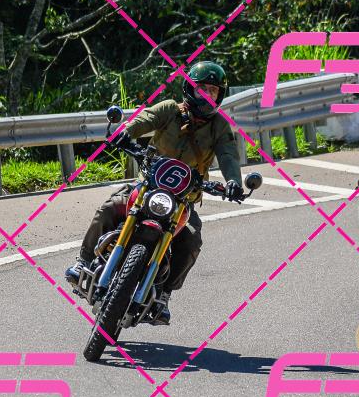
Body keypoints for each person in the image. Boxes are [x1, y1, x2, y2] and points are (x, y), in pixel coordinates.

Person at [65, 61, 244, 325]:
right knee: (110, 208)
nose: (207, 94)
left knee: (192, 240)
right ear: (190, 88)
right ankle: (84, 261)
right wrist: (125, 133)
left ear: (220, 95)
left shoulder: (219, 126)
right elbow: (144, 119)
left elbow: (228, 155)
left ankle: (163, 295)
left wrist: (234, 182)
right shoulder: (170, 109)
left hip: (183, 199)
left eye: (213, 90)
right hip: (148, 185)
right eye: (202, 88)